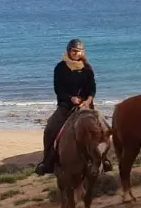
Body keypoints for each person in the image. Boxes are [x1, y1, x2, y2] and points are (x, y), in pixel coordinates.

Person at [35, 38, 96, 175]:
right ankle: (47, 162)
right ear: (68, 51)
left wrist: (88, 100)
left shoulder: (87, 69)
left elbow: (92, 88)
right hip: (66, 105)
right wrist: (71, 98)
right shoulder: (60, 68)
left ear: (82, 52)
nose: (76, 54)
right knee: (50, 128)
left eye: (78, 51)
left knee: (101, 129)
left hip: (86, 105)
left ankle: (102, 160)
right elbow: (58, 89)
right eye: (73, 51)